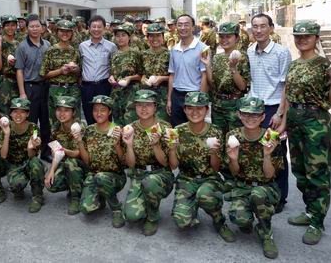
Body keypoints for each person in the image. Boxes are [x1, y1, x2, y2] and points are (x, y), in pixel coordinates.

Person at [284, 21, 331, 245]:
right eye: (298, 36)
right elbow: (288, 95)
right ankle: (310, 211)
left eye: (307, 36)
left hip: (316, 122)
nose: (302, 40)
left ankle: (317, 222)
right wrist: (283, 119)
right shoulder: (294, 64)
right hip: (295, 120)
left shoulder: (324, 65)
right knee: (300, 170)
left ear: (316, 38)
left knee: (317, 173)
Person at [168, 92, 235, 242]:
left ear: (206, 110)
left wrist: (214, 153)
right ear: (184, 110)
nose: (194, 112)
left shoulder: (215, 131)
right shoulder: (178, 131)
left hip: (209, 178)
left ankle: (219, 220)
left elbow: (216, 168)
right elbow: (173, 166)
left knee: (205, 195)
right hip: (186, 179)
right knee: (182, 221)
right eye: (190, 108)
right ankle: (192, 208)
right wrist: (172, 149)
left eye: (199, 108)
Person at [226, 96, 283, 259]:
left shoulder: (271, 137)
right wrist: (233, 159)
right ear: (239, 115)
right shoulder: (233, 136)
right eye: (246, 114)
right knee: (239, 219)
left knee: (258, 194)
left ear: (263, 117)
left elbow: (270, 175)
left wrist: (267, 155)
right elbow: (234, 172)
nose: (250, 118)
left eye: (255, 115)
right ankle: (248, 217)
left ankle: (266, 233)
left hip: (265, 187)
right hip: (242, 186)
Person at [247, 13, 291, 213]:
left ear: (271, 28)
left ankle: (280, 197)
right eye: (255, 26)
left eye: (263, 26)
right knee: (258, 152)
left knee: (277, 153)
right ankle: (260, 193)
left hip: (274, 109)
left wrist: (280, 114)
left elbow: (286, 86)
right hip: (255, 109)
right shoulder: (250, 51)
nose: (259, 30)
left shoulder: (281, 52)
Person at [121, 90, 174, 236]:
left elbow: (168, 164)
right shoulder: (130, 128)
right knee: (131, 216)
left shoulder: (166, 127)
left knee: (151, 182)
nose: (144, 109)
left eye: (148, 105)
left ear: (155, 107)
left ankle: (153, 216)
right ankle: (145, 200)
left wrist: (156, 145)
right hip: (139, 174)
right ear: (135, 107)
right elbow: (131, 165)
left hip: (160, 174)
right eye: (140, 105)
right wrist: (129, 145)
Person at [72, 95, 126, 228]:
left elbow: (124, 162)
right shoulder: (89, 130)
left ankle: (117, 209)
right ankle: (101, 197)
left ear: (110, 112)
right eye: (95, 110)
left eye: (103, 110)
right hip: (94, 174)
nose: (98, 113)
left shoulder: (118, 130)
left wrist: (117, 145)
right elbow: (87, 161)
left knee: (101, 177)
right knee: (86, 208)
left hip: (115, 176)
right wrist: (79, 142)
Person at [0, 97, 46, 213]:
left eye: (22, 112)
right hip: (13, 164)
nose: (18, 115)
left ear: (28, 114)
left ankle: (38, 196)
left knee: (36, 163)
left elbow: (32, 156)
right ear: (10, 113)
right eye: (15, 111)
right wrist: (7, 134)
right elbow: (3, 155)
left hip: (28, 161)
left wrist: (30, 147)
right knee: (16, 185)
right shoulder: (6, 127)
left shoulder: (33, 128)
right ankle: (18, 189)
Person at [15, 14, 51, 161]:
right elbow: (19, 70)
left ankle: (46, 152)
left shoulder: (47, 45)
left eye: (37, 26)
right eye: (32, 26)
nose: (35, 29)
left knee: (46, 121)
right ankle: (33, 152)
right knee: (32, 122)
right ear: (27, 28)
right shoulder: (22, 47)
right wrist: (22, 93)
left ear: (42, 28)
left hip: (46, 87)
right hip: (30, 88)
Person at [204, 22, 250, 134]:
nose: (224, 40)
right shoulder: (217, 57)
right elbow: (213, 83)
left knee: (234, 139)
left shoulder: (242, 57)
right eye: (221, 36)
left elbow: (243, 87)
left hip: (234, 106)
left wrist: (233, 68)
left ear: (237, 38)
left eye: (228, 36)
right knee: (218, 137)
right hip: (217, 105)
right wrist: (207, 65)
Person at [44, 96, 86, 215]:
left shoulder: (80, 127)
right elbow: (56, 152)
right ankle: (73, 185)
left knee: (70, 162)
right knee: (51, 184)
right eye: (59, 110)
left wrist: (64, 151)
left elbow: (78, 153)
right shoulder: (55, 127)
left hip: (84, 165)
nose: (62, 114)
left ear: (74, 112)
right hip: (66, 164)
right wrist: (51, 171)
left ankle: (76, 197)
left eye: (66, 110)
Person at [167, 14, 208, 127]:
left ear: (193, 27)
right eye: (180, 25)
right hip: (177, 95)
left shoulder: (202, 48)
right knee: (176, 129)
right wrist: (169, 99)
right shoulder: (174, 49)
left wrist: (201, 100)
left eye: (186, 24)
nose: (183, 28)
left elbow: (204, 75)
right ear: (176, 27)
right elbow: (172, 75)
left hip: (194, 94)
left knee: (195, 129)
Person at [40, 19, 82, 129]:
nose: (65, 34)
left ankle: (75, 141)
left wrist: (76, 69)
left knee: (75, 124)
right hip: (56, 90)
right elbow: (43, 74)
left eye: (68, 31)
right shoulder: (51, 50)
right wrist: (60, 71)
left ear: (72, 33)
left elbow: (80, 74)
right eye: (62, 31)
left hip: (72, 90)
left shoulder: (75, 51)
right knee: (56, 123)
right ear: (57, 32)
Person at [79, 15, 117, 125]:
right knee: (89, 115)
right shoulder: (82, 46)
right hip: (87, 87)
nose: (96, 29)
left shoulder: (111, 46)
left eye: (99, 27)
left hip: (104, 86)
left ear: (104, 28)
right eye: (94, 26)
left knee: (105, 117)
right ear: (89, 28)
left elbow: (114, 66)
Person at [109, 22, 143, 125]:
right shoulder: (114, 54)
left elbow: (142, 75)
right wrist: (111, 78)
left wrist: (130, 78)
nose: (120, 38)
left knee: (130, 122)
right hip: (116, 93)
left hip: (131, 93)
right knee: (117, 123)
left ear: (129, 37)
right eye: (117, 35)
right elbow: (112, 72)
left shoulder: (135, 53)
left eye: (123, 35)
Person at [140, 23, 171, 122]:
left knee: (162, 124)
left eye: (158, 35)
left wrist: (162, 78)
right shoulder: (143, 54)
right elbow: (140, 73)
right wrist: (143, 78)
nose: (155, 39)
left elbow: (175, 76)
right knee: (147, 123)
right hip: (146, 96)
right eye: (151, 36)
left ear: (163, 37)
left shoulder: (169, 55)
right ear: (147, 38)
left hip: (163, 97)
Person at [0, 15, 20, 115]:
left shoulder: (18, 44)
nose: (10, 28)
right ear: (3, 27)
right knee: (3, 111)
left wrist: (16, 63)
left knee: (16, 110)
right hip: (3, 80)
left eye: (13, 25)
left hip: (16, 80)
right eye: (7, 25)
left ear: (16, 26)